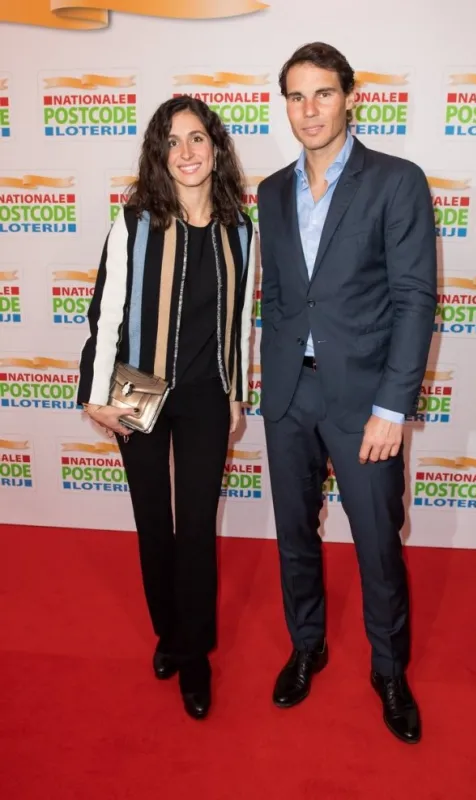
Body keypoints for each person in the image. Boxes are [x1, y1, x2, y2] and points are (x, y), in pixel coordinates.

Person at [258, 42, 437, 744]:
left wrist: (391, 408)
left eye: (323, 93)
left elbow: (414, 299)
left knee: (377, 545)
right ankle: (307, 647)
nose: (309, 110)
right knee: (294, 538)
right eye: (296, 96)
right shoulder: (271, 191)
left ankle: (388, 671)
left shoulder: (396, 180)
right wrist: (266, 383)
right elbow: (278, 296)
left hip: (366, 402)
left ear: (350, 98)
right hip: (288, 398)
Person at [78, 96, 255, 720]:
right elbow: (107, 312)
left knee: (197, 527)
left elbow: (240, 322)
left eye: (197, 138)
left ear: (216, 148)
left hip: (206, 392)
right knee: (153, 520)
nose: (186, 152)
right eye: (172, 141)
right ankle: (170, 634)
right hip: (138, 387)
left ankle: (195, 651)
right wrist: (96, 394)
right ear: (160, 154)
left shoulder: (240, 229)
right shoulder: (134, 223)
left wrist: (236, 394)